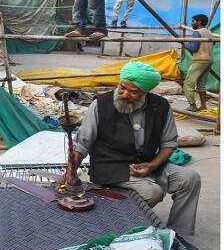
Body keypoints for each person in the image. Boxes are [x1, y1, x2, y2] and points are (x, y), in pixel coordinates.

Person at [67, 61, 200, 237]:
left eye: (133, 92)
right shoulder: (100, 105)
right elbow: (82, 143)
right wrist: (70, 171)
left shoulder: (160, 106)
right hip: (110, 167)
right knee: (152, 192)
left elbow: (168, 143)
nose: (124, 94)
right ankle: (114, 219)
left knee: (189, 178)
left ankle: (177, 233)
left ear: (146, 92)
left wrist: (152, 165)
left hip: (147, 163)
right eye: (122, 87)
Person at [182, 14, 214, 112]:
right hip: (209, 60)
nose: (192, 23)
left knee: (188, 84)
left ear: (199, 22)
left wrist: (183, 43)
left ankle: (192, 105)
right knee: (201, 84)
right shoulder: (209, 32)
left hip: (199, 60)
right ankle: (203, 105)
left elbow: (194, 48)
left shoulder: (197, 32)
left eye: (193, 21)